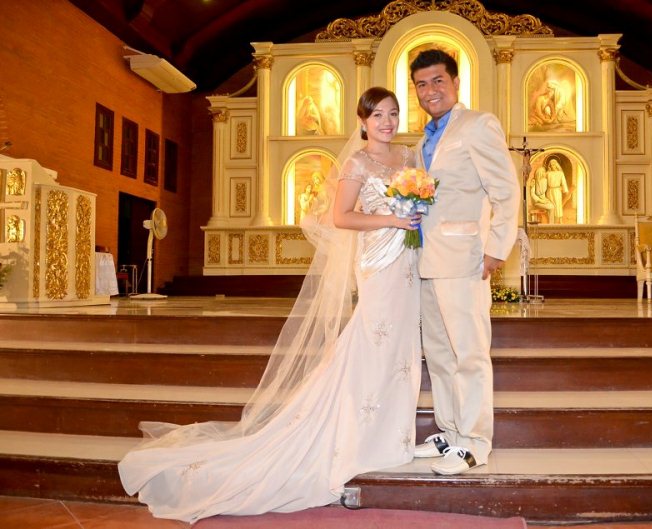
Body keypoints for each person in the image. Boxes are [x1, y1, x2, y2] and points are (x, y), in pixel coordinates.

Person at [117, 87, 423, 523]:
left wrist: (415, 216)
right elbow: (340, 217)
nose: (387, 122)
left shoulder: (409, 157)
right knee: (372, 340)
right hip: (376, 260)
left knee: (399, 349)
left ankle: (391, 433)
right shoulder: (356, 162)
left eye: (393, 113)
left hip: (407, 261)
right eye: (377, 116)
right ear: (363, 121)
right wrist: (393, 218)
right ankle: (359, 433)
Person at [410, 49, 520, 475]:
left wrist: (497, 248)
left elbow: (505, 189)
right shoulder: (422, 140)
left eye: (438, 81)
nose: (430, 91)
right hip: (426, 260)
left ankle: (475, 443)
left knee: (468, 353)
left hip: (465, 258)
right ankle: (451, 432)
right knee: (438, 353)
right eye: (421, 84)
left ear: (455, 83)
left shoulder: (477, 125)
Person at [544, 157, 569, 224]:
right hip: (549, 191)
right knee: (551, 205)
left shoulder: (560, 173)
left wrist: (566, 191)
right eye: (551, 165)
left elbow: (563, 182)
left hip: (557, 191)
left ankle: (560, 219)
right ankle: (551, 220)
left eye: (554, 165)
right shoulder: (547, 173)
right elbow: (544, 182)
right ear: (550, 166)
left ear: (556, 165)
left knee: (558, 205)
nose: (552, 166)